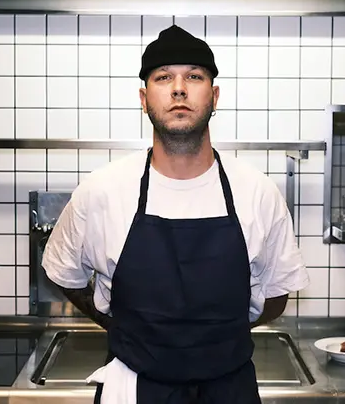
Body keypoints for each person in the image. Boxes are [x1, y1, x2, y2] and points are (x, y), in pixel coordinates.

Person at [40, 24, 310, 404]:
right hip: (132, 389)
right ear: (143, 98)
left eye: (194, 77)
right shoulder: (101, 191)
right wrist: (128, 329)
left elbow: (278, 294)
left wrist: (217, 337)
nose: (179, 88)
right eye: (164, 77)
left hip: (229, 391)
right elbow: (65, 274)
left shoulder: (258, 192)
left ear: (214, 96)